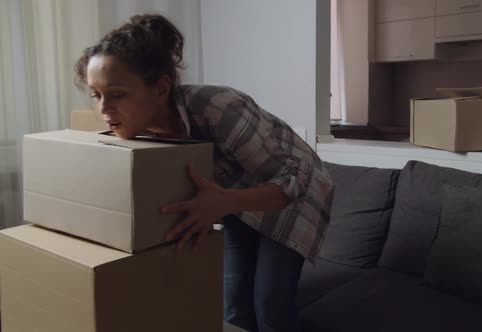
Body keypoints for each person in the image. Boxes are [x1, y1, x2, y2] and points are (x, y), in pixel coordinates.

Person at [74, 14, 334, 332]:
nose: (102, 110)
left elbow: (293, 178)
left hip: (295, 194)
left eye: (116, 94)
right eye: (96, 96)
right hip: (232, 200)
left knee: (270, 308)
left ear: (161, 88)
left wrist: (226, 203)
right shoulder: (138, 133)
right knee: (233, 306)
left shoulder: (220, 109)